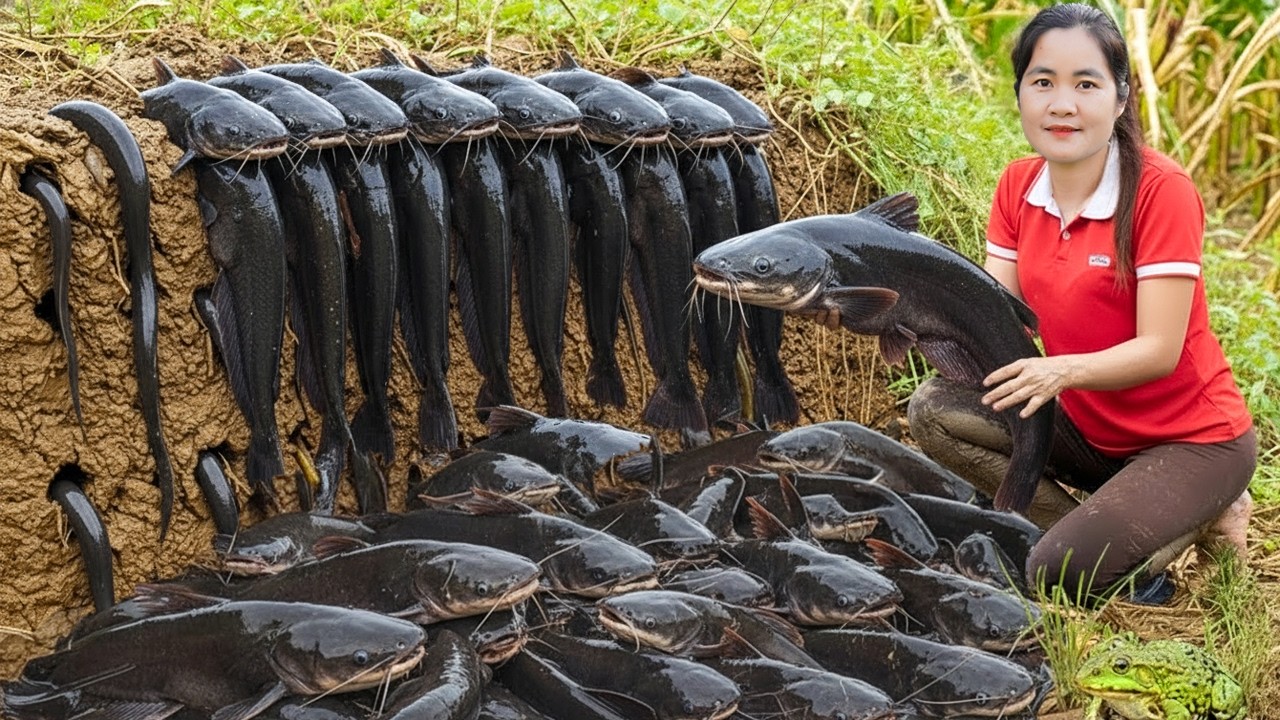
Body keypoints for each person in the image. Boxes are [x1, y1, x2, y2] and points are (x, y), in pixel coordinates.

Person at [904, 2, 1256, 604]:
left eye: (1085, 84)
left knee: (1057, 576)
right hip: (1088, 430)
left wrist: (1060, 369)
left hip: (1192, 442)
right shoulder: (1018, 186)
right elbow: (994, 322)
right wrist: (894, 316)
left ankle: (1203, 504)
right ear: (1019, 94)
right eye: (1042, 82)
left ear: (1120, 98)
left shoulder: (1159, 192)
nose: (1061, 104)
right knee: (933, 409)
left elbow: (1161, 351)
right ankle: (1094, 521)